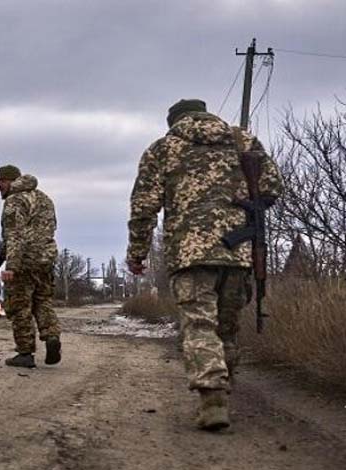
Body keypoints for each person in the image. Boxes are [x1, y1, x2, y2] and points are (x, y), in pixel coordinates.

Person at [126, 99, 283, 430]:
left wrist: (137, 253)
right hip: (239, 252)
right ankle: (225, 392)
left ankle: (213, 399)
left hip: (190, 254)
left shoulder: (163, 148)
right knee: (227, 327)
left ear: (174, 122)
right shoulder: (243, 141)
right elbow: (271, 188)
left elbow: (144, 207)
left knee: (199, 325)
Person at [0, 165, 62, 368]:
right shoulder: (44, 199)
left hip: (23, 263)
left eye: (0, 182)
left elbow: (14, 235)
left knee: (20, 307)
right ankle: (51, 337)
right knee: (42, 301)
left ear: (10, 180)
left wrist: (11, 266)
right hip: (45, 260)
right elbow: (50, 229)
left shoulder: (14, 201)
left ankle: (25, 353)